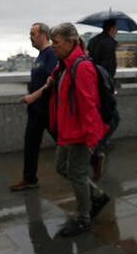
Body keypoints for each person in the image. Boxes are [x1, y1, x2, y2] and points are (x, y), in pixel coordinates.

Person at [48, 23, 111, 236]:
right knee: (61, 167)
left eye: (55, 42)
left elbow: (89, 103)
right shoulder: (65, 65)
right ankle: (98, 195)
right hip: (66, 131)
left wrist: (92, 139)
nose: (52, 46)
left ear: (70, 42)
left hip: (80, 133)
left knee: (76, 173)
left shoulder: (81, 67)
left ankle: (83, 218)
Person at [10, 23, 58, 191]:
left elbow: (54, 80)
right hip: (35, 110)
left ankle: (94, 158)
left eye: (33, 33)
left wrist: (35, 95)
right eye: (30, 33)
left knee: (66, 142)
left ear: (44, 35)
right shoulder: (39, 56)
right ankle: (29, 178)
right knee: (30, 144)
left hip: (48, 109)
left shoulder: (51, 54)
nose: (30, 37)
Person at [86, 18, 120, 180]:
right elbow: (110, 67)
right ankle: (97, 150)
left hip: (93, 83)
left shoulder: (92, 41)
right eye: (116, 29)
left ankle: (98, 147)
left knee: (102, 120)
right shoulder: (110, 43)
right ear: (112, 28)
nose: (117, 31)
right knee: (113, 119)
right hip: (104, 87)